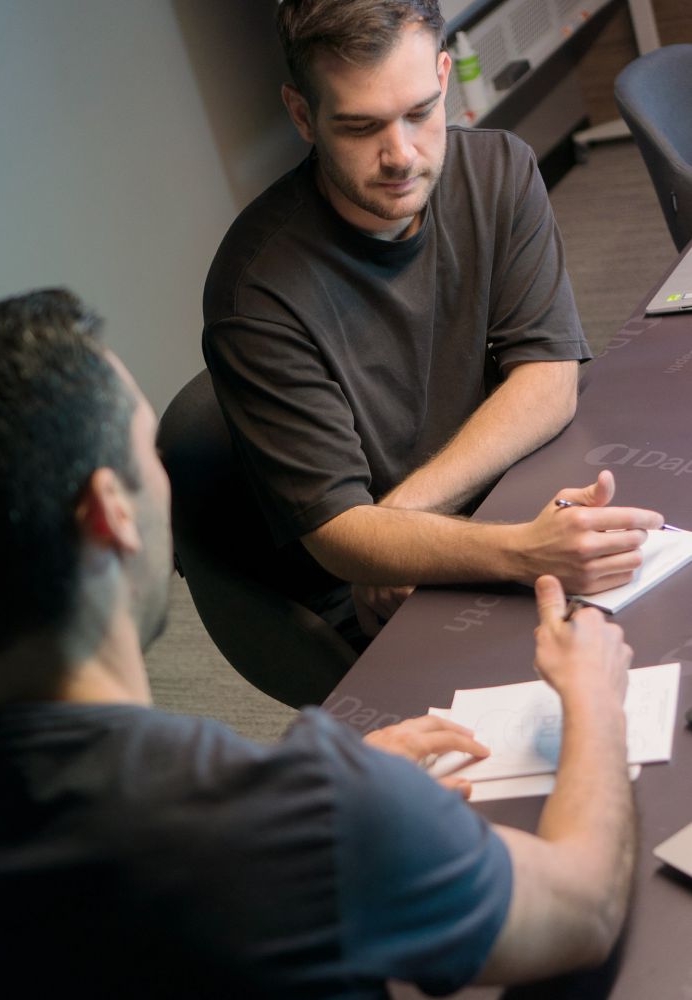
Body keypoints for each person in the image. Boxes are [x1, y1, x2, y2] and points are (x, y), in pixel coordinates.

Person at [0, 289, 636, 996]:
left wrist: (307, 798)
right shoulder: (312, 820)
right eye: (147, 454)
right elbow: (587, 907)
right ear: (110, 514)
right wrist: (594, 699)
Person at [202, 0, 662, 645]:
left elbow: (549, 375)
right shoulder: (256, 293)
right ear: (303, 115)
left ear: (444, 76)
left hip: (494, 507)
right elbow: (341, 536)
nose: (400, 156)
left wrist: (403, 517)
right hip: (382, 592)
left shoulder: (499, 169)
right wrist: (521, 553)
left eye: (420, 113)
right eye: (361, 128)